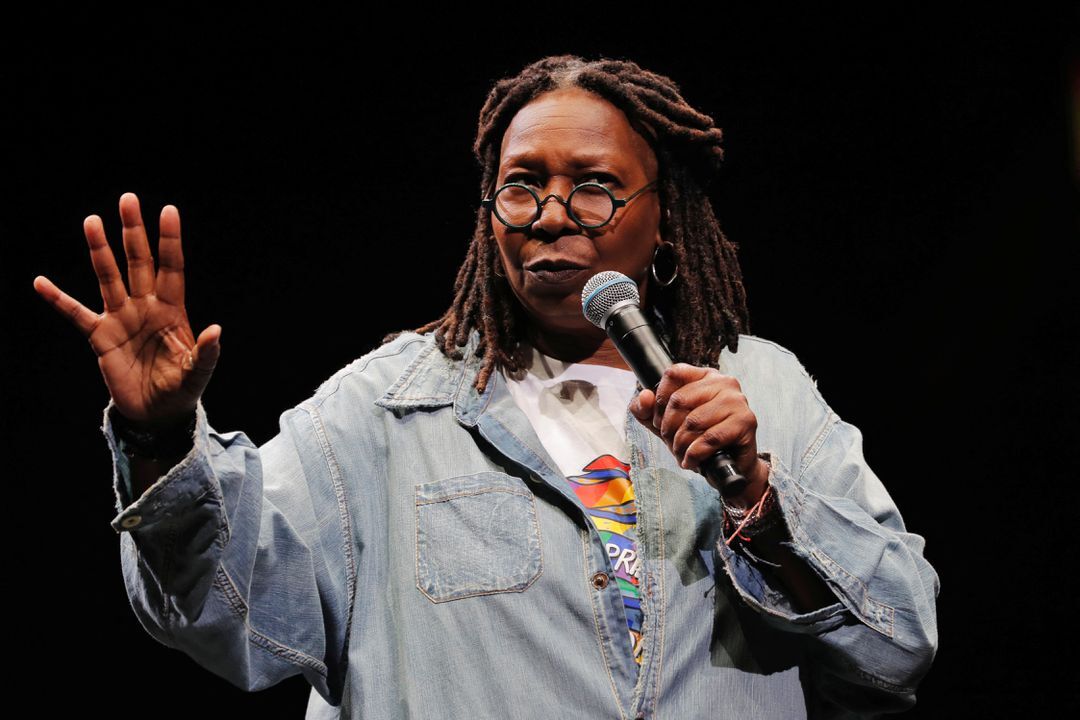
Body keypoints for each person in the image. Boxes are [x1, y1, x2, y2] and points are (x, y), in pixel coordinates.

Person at [33, 55, 939, 719]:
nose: (550, 213)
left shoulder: (765, 390)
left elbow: (897, 647)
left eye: (594, 186)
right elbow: (225, 609)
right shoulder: (386, 410)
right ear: (488, 217)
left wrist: (756, 495)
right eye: (521, 186)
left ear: (663, 223)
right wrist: (159, 440)